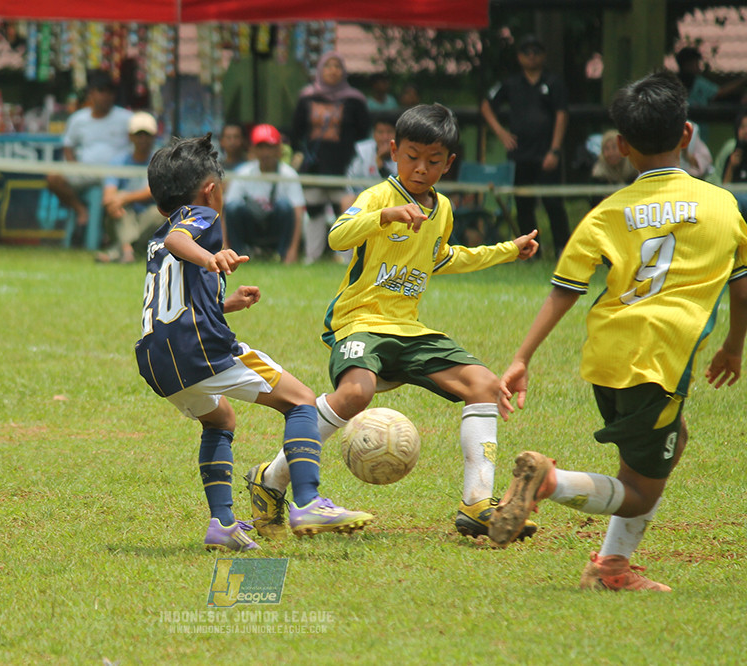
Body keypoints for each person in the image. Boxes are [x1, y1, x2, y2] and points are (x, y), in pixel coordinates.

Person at [490, 71, 747, 592]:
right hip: (659, 359)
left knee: (660, 452)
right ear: (689, 134)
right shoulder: (725, 207)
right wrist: (732, 347)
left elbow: (565, 287)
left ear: (622, 146)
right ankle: (551, 482)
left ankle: (610, 568)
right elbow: (742, 291)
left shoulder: (607, 212)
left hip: (607, 356)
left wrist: (522, 357)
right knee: (641, 491)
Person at [245, 105, 539, 541]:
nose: (422, 168)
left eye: (434, 160)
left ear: (449, 163)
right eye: (413, 156)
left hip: (409, 329)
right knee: (355, 394)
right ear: (393, 151)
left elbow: (444, 258)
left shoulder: (442, 209)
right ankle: (271, 477)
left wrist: (507, 250)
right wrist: (384, 216)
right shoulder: (379, 196)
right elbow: (336, 235)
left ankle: (477, 503)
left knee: (485, 386)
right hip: (359, 321)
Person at [135, 134, 374, 551]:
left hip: (158, 359)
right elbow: (182, 241)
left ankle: (222, 525)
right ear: (212, 189)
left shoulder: (159, 235)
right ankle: (307, 501)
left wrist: (226, 303)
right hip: (199, 349)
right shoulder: (200, 217)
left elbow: (178, 300)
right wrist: (212, 257)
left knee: (221, 420)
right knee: (300, 401)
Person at [481, 34, 571, 257]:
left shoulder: (553, 82)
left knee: (553, 202)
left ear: (543, 55)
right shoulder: (511, 83)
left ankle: (563, 249)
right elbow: (486, 105)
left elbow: (562, 115)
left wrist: (555, 149)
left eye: (536, 52)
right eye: (526, 52)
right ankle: (531, 251)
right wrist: (501, 133)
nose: (531, 56)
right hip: (520, 154)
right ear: (519, 56)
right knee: (524, 205)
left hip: (546, 153)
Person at [291, 51, 370, 263]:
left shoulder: (355, 100)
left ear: (343, 71)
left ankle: (345, 259)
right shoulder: (307, 97)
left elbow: (363, 132)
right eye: (328, 66)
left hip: (345, 166)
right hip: (314, 165)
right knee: (314, 210)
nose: (332, 71)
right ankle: (312, 256)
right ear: (320, 70)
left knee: (346, 212)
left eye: (337, 66)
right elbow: (297, 130)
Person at [47, 70, 132, 250]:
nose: (106, 96)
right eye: (101, 90)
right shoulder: (78, 119)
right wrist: (74, 166)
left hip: (113, 179)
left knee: (108, 197)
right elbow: (68, 145)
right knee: (53, 177)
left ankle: (106, 239)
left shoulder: (126, 118)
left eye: (110, 91)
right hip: (83, 174)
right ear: (91, 93)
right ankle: (80, 210)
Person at [223, 124, 305, 264]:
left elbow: (298, 212)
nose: (265, 153)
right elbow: (226, 211)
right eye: (261, 147)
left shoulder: (289, 174)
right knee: (233, 207)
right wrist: (223, 247)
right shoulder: (243, 173)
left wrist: (293, 250)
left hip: (275, 227)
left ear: (279, 149)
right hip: (251, 225)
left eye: (270, 147)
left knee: (285, 206)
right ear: (253, 149)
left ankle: (281, 254)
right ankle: (238, 255)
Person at [95, 111, 159, 264]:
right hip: (124, 216)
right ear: (130, 136)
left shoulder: (159, 161)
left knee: (161, 213)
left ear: (153, 137)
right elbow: (108, 195)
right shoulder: (119, 161)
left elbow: (155, 191)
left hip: (149, 216)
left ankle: (120, 250)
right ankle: (128, 250)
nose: (142, 139)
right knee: (118, 208)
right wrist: (116, 202)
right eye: (139, 135)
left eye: (146, 135)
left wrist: (124, 198)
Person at [341, 110, 400, 210]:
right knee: (347, 200)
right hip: (365, 199)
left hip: (393, 201)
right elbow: (352, 182)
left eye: (389, 132)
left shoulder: (404, 152)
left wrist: (381, 165)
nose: (385, 137)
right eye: (380, 132)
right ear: (373, 134)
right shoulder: (362, 150)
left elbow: (399, 187)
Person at [675, 46, 747, 107]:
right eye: (696, 63)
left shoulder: (673, 82)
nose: (698, 67)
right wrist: (742, 80)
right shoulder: (698, 82)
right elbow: (720, 92)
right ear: (687, 64)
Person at [716, 111, 747, 215]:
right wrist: (731, 166)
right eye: (742, 127)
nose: (745, 131)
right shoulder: (732, 150)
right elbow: (725, 186)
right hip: (734, 197)